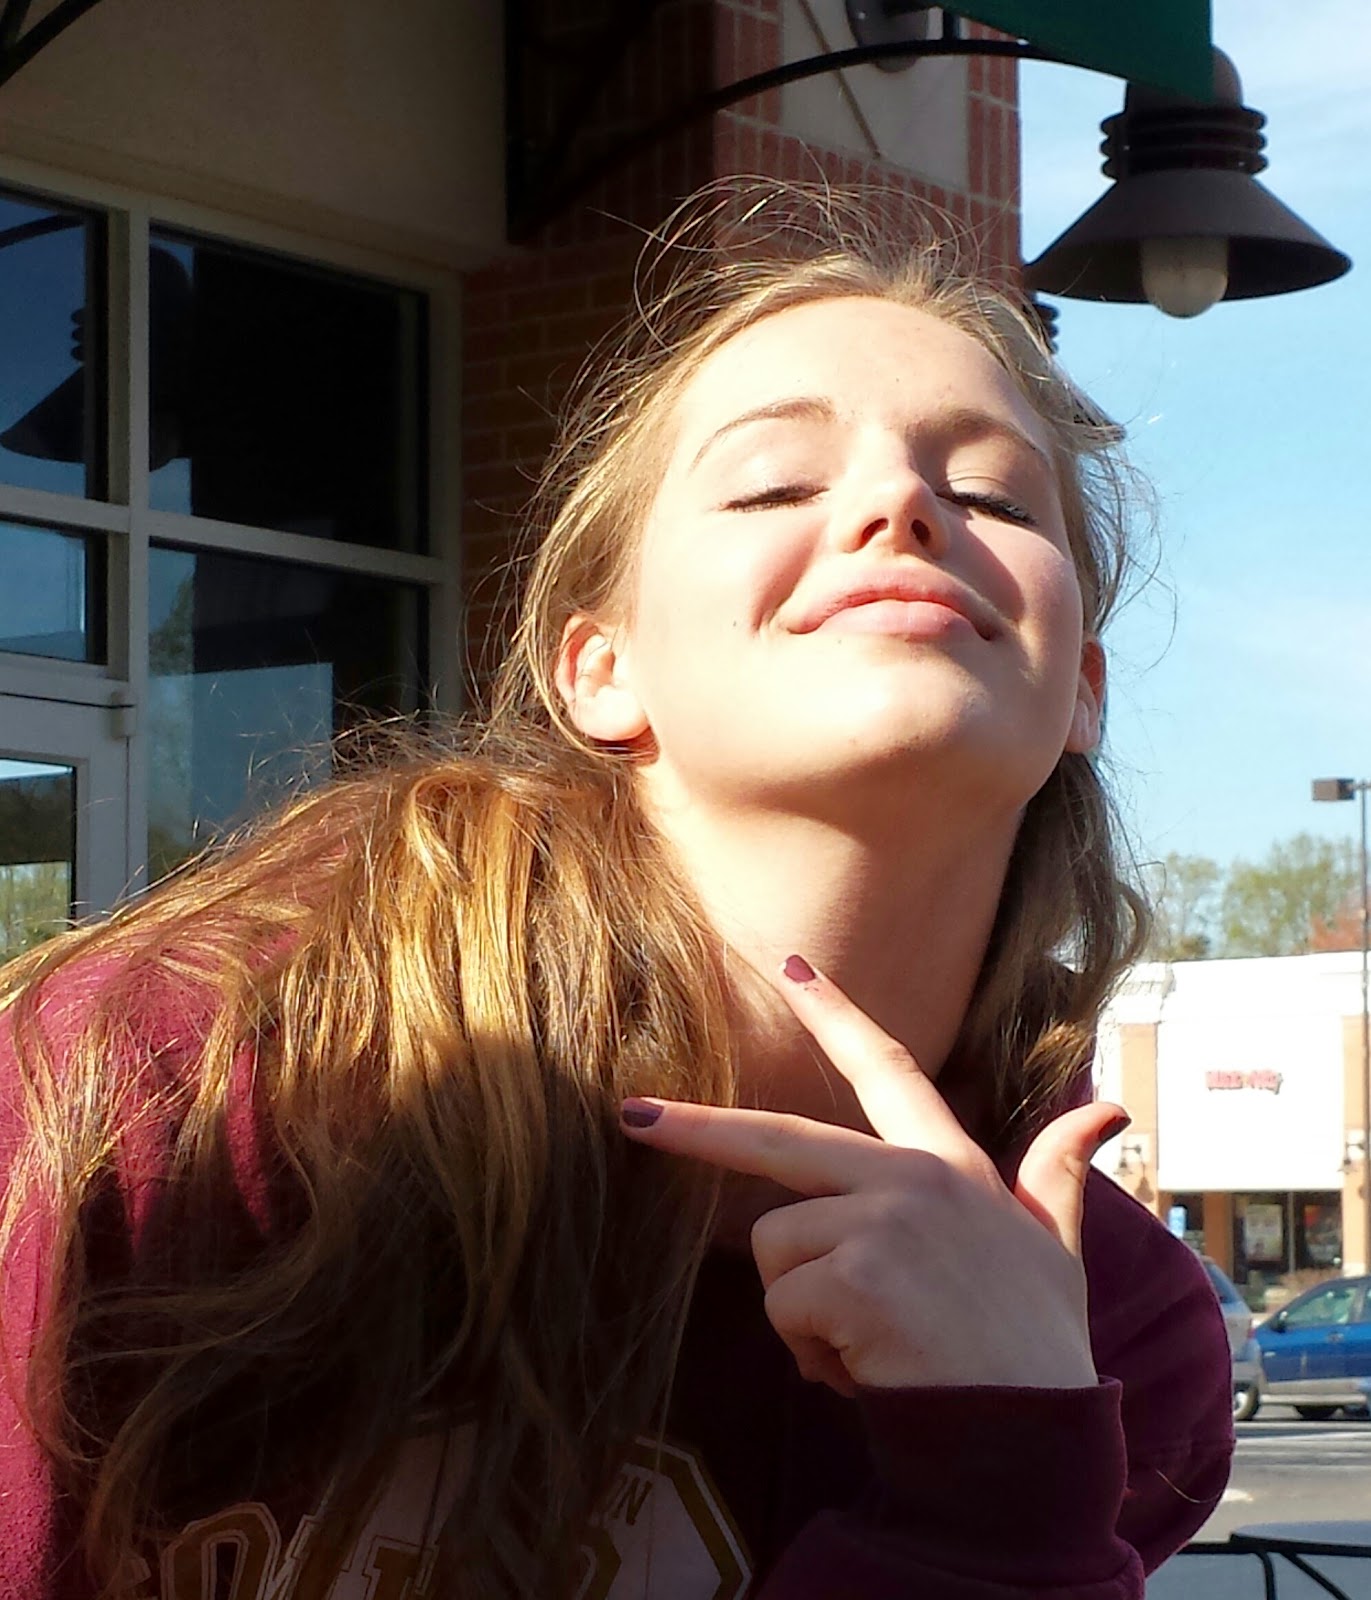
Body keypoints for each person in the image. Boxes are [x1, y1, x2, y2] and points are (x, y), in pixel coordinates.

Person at [0, 183, 1233, 1599]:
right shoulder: (169, 1092)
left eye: (995, 497)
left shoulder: (1108, 1336)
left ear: (1081, 692)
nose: (902, 506)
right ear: (602, 668)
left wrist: (1005, 1481)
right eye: (777, 483)